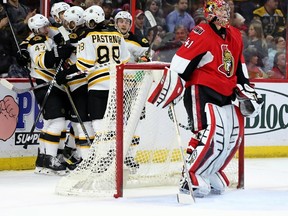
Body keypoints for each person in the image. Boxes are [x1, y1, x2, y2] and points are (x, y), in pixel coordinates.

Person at [148, 0, 263, 198]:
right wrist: (173, 84)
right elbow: (181, 62)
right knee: (208, 134)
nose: (225, 13)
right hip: (202, 90)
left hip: (225, 91)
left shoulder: (235, 34)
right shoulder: (202, 32)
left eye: (227, 9)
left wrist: (245, 87)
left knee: (231, 137)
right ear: (210, 12)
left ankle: (210, 170)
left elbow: (238, 66)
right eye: (220, 9)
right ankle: (190, 175)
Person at [76, 5, 130, 154]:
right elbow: (125, 60)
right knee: (114, 124)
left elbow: (83, 65)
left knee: (99, 123)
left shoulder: (88, 37)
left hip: (97, 86)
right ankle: (115, 157)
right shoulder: (117, 35)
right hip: (117, 85)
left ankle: (103, 157)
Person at [26, 13, 75, 175]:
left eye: (47, 26)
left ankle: (42, 161)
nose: (47, 29)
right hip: (45, 84)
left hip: (53, 85)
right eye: (43, 27)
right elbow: (42, 61)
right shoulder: (37, 41)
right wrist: (59, 52)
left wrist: (61, 49)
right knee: (57, 121)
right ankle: (51, 158)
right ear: (35, 29)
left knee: (50, 123)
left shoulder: (47, 39)